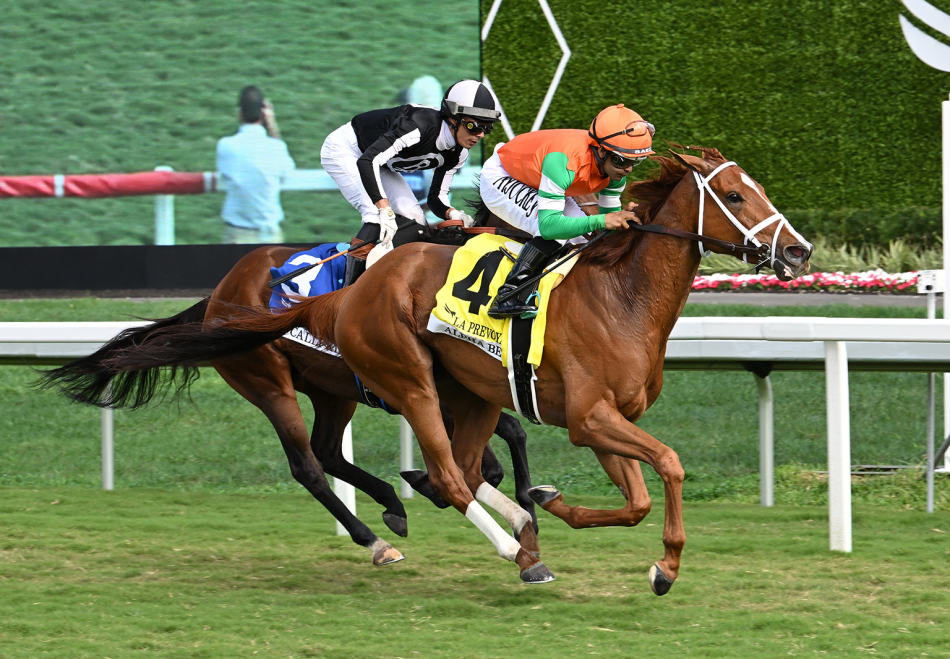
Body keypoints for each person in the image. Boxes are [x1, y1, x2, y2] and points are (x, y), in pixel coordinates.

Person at [320, 79, 500, 286]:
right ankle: (348, 293)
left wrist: (453, 213)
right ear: (453, 118)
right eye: (473, 126)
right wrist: (384, 208)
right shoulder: (418, 126)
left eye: (486, 129)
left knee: (416, 219)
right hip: (347, 150)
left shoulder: (458, 153)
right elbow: (367, 160)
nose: (479, 135)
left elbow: (436, 198)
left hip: (380, 162)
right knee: (374, 215)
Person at [480, 104, 654, 318]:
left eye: (635, 161)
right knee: (558, 234)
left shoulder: (615, 169)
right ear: (601, 150)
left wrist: (629, 219)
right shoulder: (565, 161)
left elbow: (608, 233)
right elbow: (550, 227)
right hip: (504, 175)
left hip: (539, 176)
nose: (627, 168)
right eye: (621, 160)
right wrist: (603, 220)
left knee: (582, 239)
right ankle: (508, 295)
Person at [217, 86, 296, 244]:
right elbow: (288, 171)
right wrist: (272, 125)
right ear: (264, 114)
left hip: (236, 235)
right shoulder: (276, 147)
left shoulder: (225, 146)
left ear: (240, 113)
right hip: (269, 236)